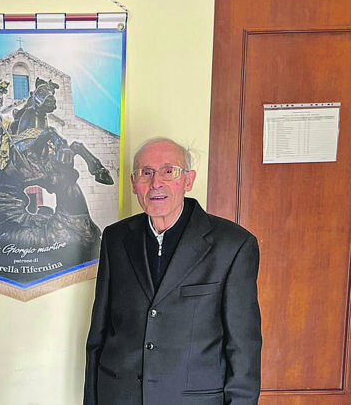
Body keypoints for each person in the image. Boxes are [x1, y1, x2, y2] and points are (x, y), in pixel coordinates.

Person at [84, 137, 261, 404]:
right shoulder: (115, 238)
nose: (156, 182)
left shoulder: (233, 245)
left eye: (169, 171)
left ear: (188, 180)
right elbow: (98, 333)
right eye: (146, 173)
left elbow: (243, 348)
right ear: (133, 183)